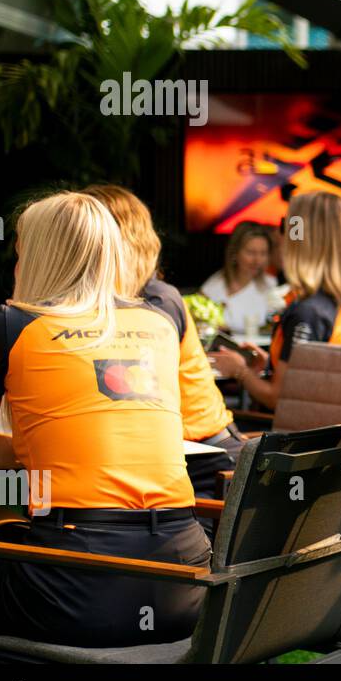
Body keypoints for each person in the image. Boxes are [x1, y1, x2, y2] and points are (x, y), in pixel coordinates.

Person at [0, 192, 209, 647]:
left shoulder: (11, 325)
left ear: (37, 255)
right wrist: (58, 446)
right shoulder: (158, 325)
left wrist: (40, 446)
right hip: (186, 582)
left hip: (81, 591)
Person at [83, 185, 245, 501]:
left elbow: (138, 392)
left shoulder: (156, 300)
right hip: (170, 458)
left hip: (206, 462)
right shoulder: (111, 300)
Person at [212, 190, 341, 410]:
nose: (281, 236)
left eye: (289, 226)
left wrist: (239, 370)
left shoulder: (307, 312)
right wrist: (272, 363)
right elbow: (317, 379)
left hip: (289, 438)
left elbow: (279, 398)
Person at [200, 221, 279, 334]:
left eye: (263, 253)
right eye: (251, 252)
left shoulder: (271, 285)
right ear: (235, 253)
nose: (257, 260)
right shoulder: (213, 287)